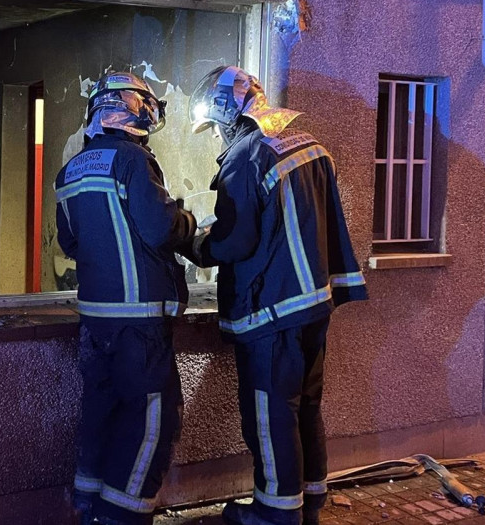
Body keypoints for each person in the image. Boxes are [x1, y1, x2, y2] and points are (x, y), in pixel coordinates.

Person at [186, 66, 368, 525]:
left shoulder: (246, 155)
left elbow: (235, 241)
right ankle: (309, 505)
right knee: (305, 407)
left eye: (214, 125)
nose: (216, 135)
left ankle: (274, 514)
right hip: (313, 304)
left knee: (270, 416)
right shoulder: (308, 144)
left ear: (227, 111)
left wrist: (196, 243)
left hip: (271, 312)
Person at [56, 71, 196, 525]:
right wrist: (189, 222)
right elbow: (158, 228)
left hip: (95, 322)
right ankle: (122, 517)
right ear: (137, 108)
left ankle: (88, 504)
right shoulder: (132, 161)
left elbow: (71, 244)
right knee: (154, 418)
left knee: (103, 408)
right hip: (139, 321)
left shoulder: (70, 170)